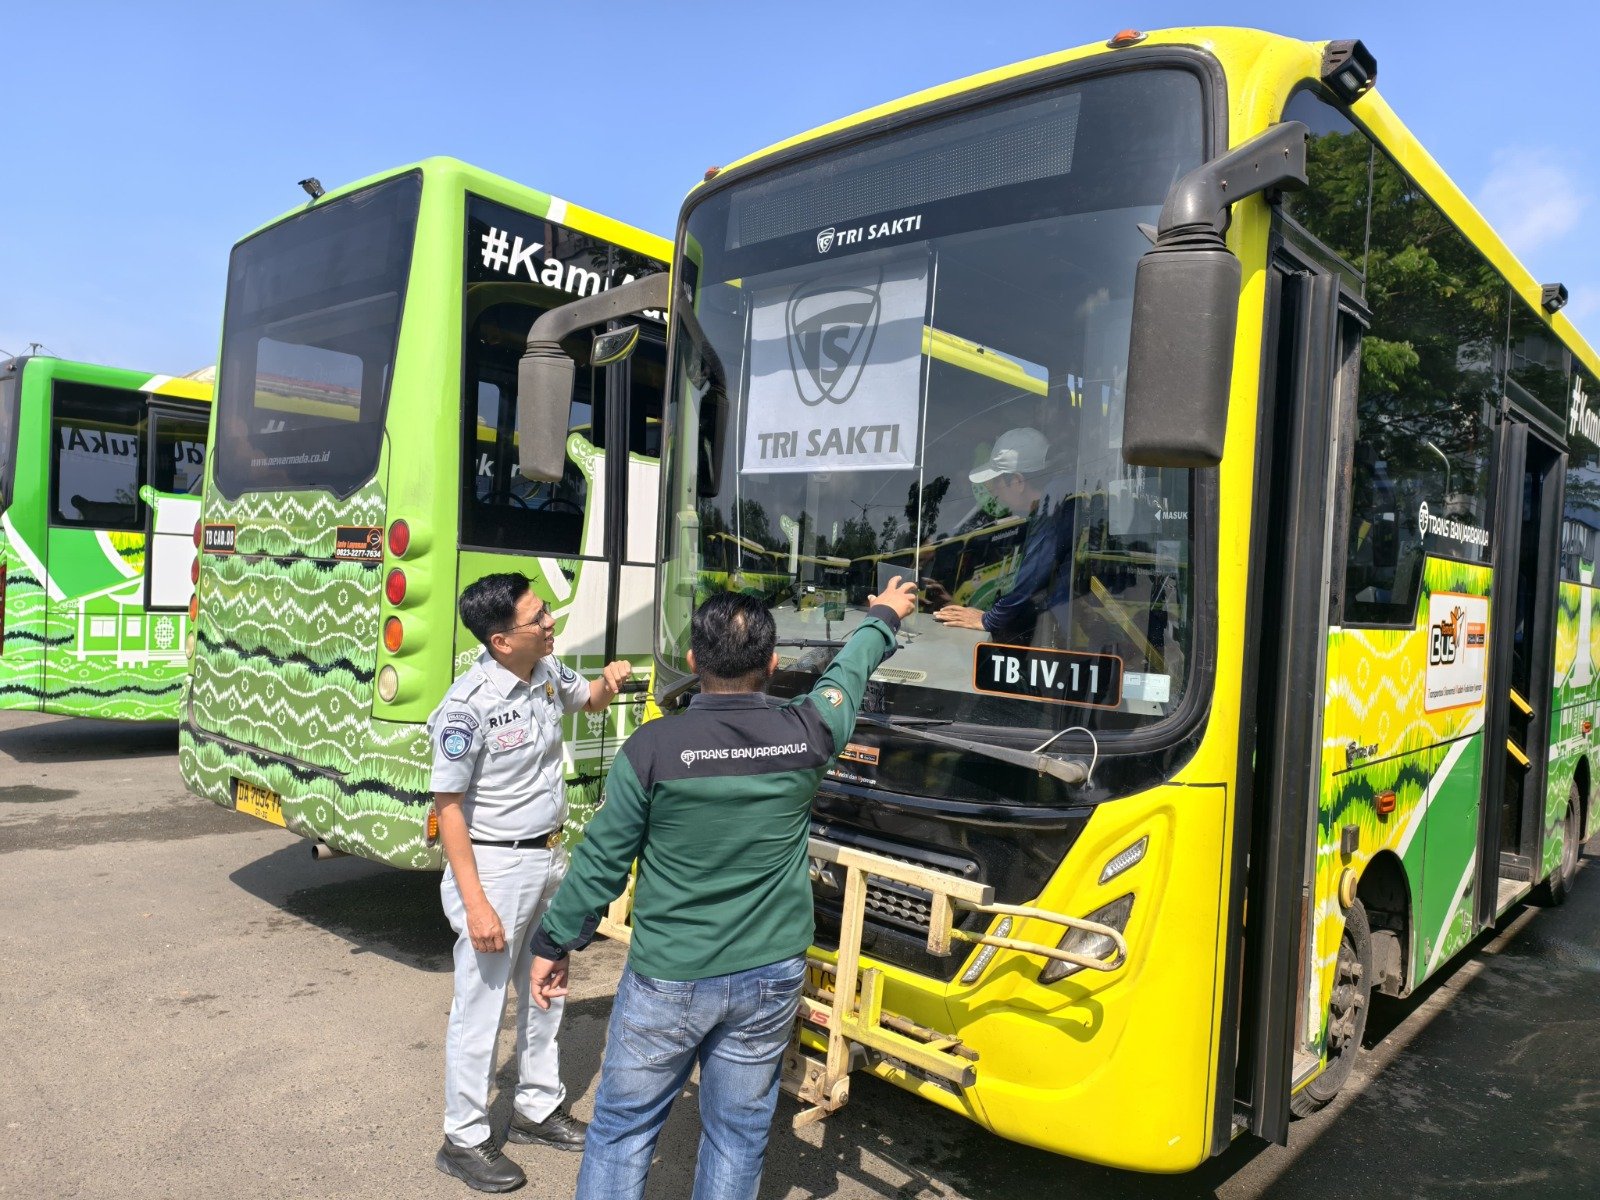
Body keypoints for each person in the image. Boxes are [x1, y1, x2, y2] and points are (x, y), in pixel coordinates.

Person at [526, 577, 919, 1200]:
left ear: (692, 661)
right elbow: (846, 677)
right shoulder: (808, 733)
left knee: (624, 1129)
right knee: (738, 1136)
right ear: (772, 663)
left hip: (670, 974)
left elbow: (602, 860)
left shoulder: (653, 747)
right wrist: (882, 618)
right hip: (771, 974)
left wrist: (554, 943)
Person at [428, 572, 633, 1193]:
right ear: (500, 640)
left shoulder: (546, 671)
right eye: (537, 618)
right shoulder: (467, 706)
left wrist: (609, 683)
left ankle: (537, 1108)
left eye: (545, 612)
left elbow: (586, 698)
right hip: (494, 869)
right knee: (481, 1005)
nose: (550, 623)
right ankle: (464, 1138)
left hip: (548, 858)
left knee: (548, 985)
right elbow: (448, 808)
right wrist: (476, 905)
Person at [930, 426, 1075, 640]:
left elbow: (1034, 574)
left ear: (1017, 482)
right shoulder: (1059, 495)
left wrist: (989, 619)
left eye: (996, 482)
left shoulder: (1052, 507)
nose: (994, 492)